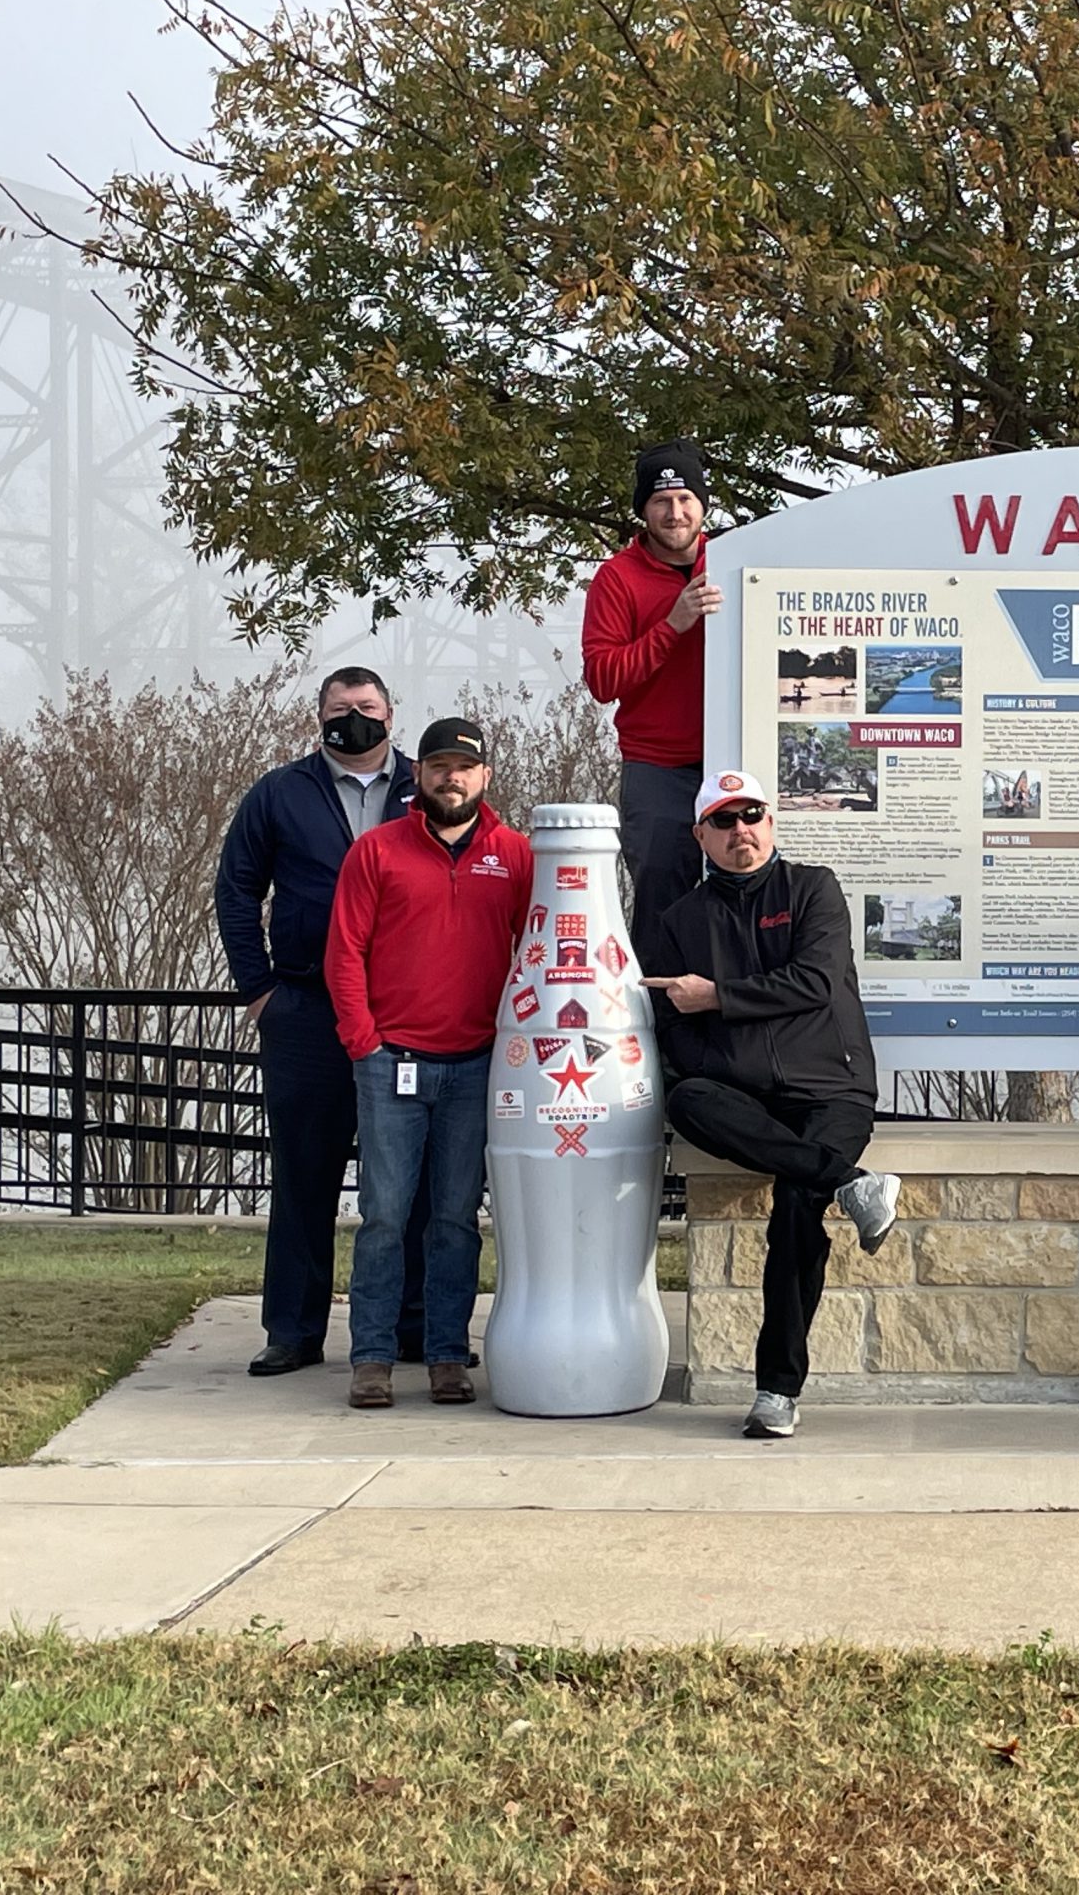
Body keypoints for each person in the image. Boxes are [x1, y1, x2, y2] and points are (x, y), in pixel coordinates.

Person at [641, 770, 902, 1440]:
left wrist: (719, 997)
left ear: (771, 823)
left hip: (832, 1092)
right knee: (691, 1096)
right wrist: (723, 1057)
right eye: (723, 822)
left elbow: (814, 981)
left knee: (794, 1205)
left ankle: (777, 1391)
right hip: (747, 1101)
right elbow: (674, 1033)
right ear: (701, 836)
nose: (740, 832)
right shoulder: (680, 921)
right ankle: (851, 1182)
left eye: (751, 815)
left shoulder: (813, 888)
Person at [214, 668, 431, 1377]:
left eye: (366, 708)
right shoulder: (280, 794)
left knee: (411, 1179)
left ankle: (413, 1325)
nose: (354, 719)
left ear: (391, 715)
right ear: (319, 719)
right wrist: (258, 990)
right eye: (340, 710)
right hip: (307, 1009)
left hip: (405, 1008)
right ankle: (295, 1329)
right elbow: (238, 889)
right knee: (303, 1173)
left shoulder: (427, 791)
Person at [324, 718, 533, 1410]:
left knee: (454, 1219)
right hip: (391, 1067)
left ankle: (448, 1353)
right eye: (440, 765)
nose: (452, 777)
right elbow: (344, 953)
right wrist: (364, 1042)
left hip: (476, 1066)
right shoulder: (376, 852)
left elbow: (537, 952)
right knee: (383, 1215)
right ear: (420, 774)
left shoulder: (515, 855)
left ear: (485, 777)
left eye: (465, 767)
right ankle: (372, 1357)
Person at [583, 439, 718, 943]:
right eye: (661, 501)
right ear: (643, 509)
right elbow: (602, 679)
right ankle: (659, 1018)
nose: (675, 512)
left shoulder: (737, 560)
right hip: (658, 768)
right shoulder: (616, 579)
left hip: (738, 759)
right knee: (664, 904)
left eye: (685, 499)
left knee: (752, 897)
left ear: (703, 504)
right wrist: (672, 625)